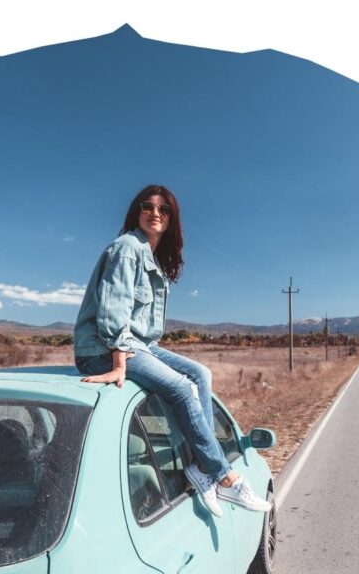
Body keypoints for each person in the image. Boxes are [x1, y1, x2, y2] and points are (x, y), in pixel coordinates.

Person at [74, 184, 272, 518]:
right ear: (136, 212)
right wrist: (118, 362)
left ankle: (199, 466)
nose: (155, 213)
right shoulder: (126, 248)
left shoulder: (150, 258)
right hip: (103, 349)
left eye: (163, 209)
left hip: (140, 345)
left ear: (171, 219)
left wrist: (133, 352)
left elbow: (143, 330)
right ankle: (224, 476)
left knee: (200, 374)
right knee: (182, 389)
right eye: (147, 206)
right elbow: (113, 311)